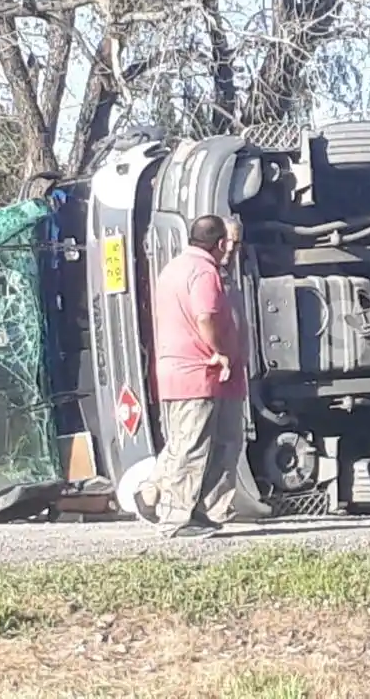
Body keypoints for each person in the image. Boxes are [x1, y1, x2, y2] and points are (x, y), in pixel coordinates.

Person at [138, 214, 269, 538]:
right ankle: (177, 518)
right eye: (231, 243)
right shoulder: (204, 271)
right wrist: (220, 350)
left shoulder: (175, 268)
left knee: (209, 443)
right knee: (193, 447)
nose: (234, 250)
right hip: (201, 372)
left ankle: (195, 509)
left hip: (192, 373)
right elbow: (205, 316)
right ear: (220, 242)